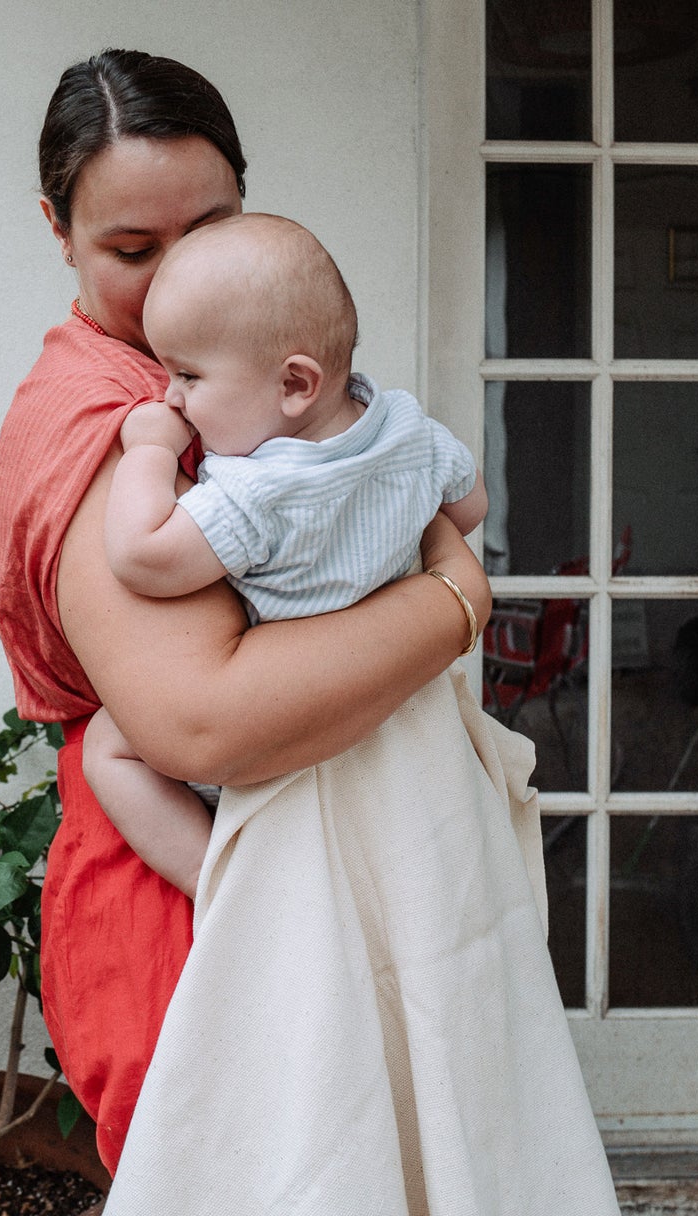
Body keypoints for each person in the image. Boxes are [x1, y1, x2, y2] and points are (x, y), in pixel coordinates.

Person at [0, 50, 492, 1216]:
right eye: (133, 244)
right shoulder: (97, 439)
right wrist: (448, 603)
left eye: (211, 223)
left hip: (289, 892)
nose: (174, 271)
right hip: (181, 911)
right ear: (57, 235)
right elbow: (191, 727)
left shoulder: (254, 390)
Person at [84, 212, 490, 897]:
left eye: (187, 374)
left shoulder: (255, 492)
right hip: (388, 704)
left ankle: (213, 881)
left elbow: (141, 555)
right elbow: (470, 505)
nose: (171, 396)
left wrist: (148, 448)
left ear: (294, 384)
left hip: (281, 725)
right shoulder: (410, 430)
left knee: (107, 745)